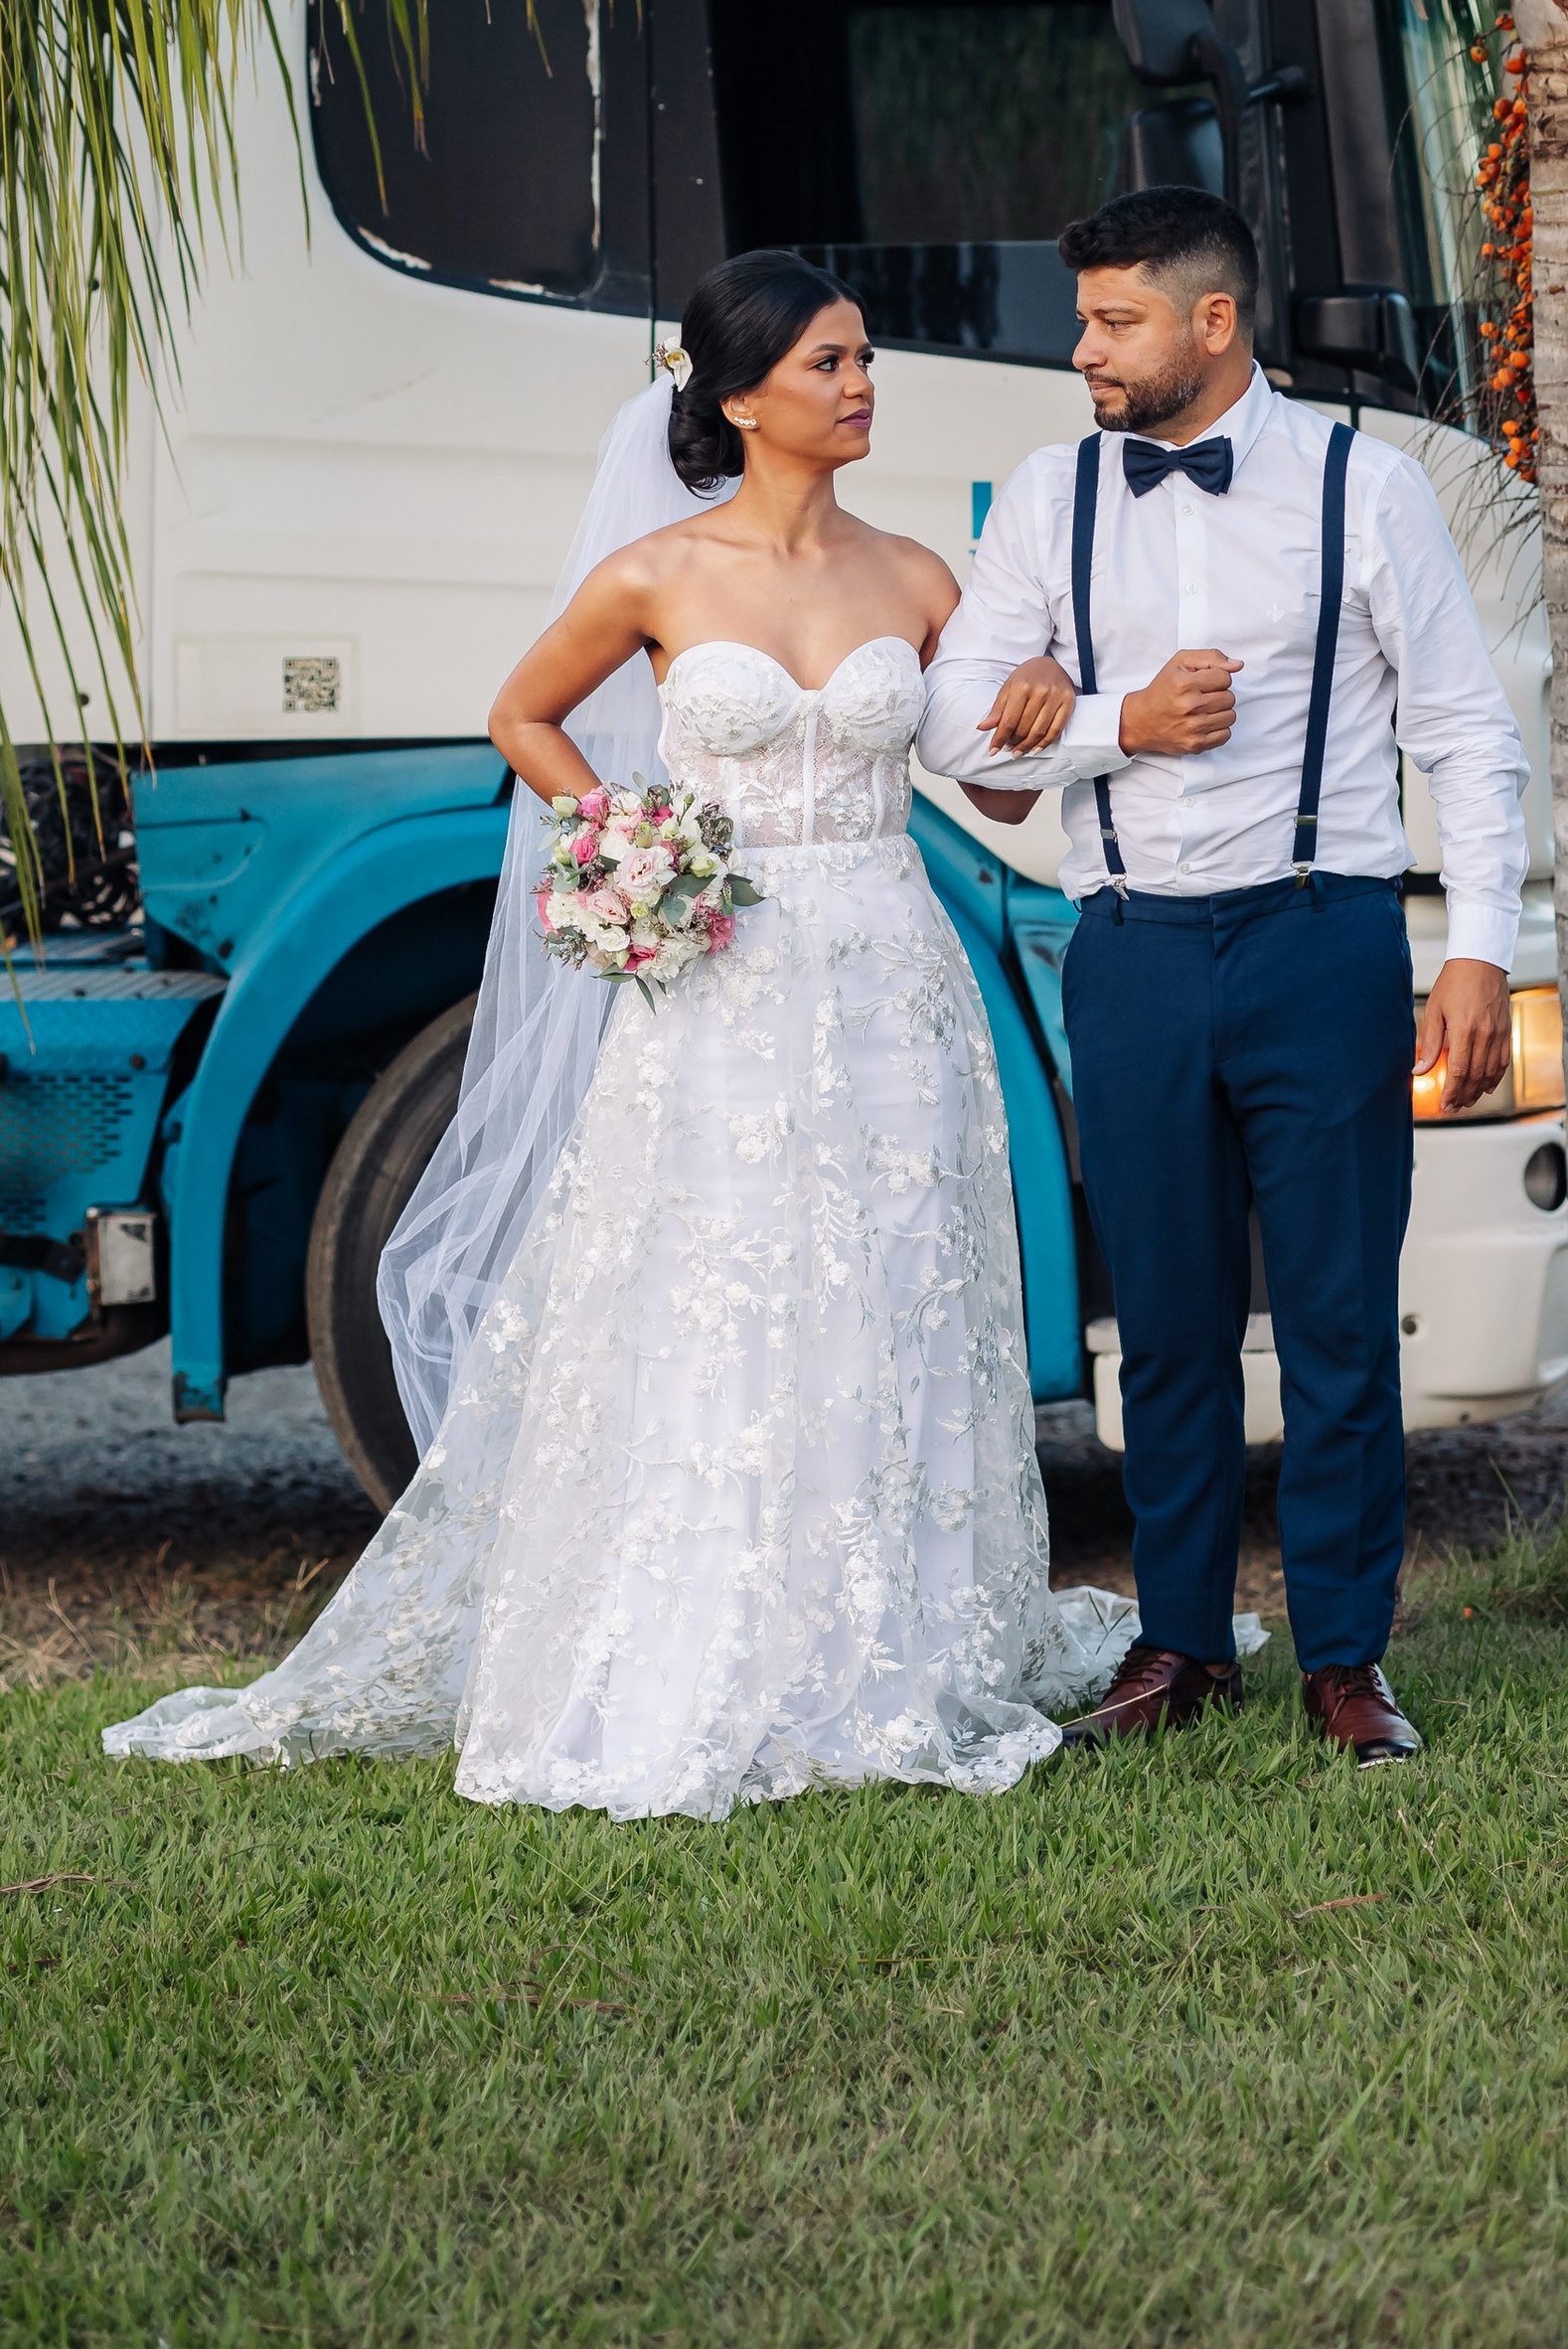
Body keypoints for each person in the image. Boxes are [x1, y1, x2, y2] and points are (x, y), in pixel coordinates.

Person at [103, 247, 1144, 1816]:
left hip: (887, 980)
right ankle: (708, 1638)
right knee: (715, 1292)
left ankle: (900, 1637)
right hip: (718, 973)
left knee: (892, 1287)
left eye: (867, 362)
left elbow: (988, 790)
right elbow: (523, 716)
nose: (864, 386)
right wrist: (626, 839)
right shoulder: (656, 575)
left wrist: (1038, 701)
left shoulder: (921, 577)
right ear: (739, 397)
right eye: (831, 365)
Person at [919, 186, 1530, 1767]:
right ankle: (1179, 1641)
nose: (1083, 352)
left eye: (1112, 321)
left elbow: (1465, 730)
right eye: (1082, 321)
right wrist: (1121, 720)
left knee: (1334, 1320)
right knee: (1170, 1328)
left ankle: (1345, 1658)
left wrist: (1477, 948)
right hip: (1124, 948)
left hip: (1319, 942)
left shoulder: (1364, 487)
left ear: (1213, 322)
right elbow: (944, 724)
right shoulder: (1051, 495)